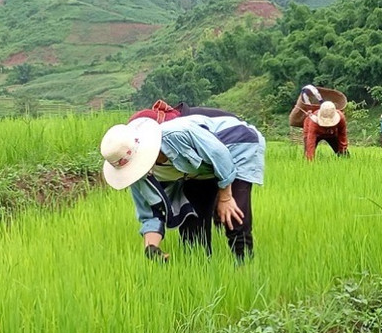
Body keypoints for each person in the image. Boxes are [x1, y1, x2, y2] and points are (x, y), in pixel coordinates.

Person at [100, 112, 265, 262]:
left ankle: (244, 268)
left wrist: (225, 197)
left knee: (232, 214)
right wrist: (151, 248)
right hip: (198, 169)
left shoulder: (176, 135)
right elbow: (150, 214)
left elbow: (219, 154)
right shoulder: (137, 176)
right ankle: (200, 271)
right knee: (192, 221)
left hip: (236, 144)